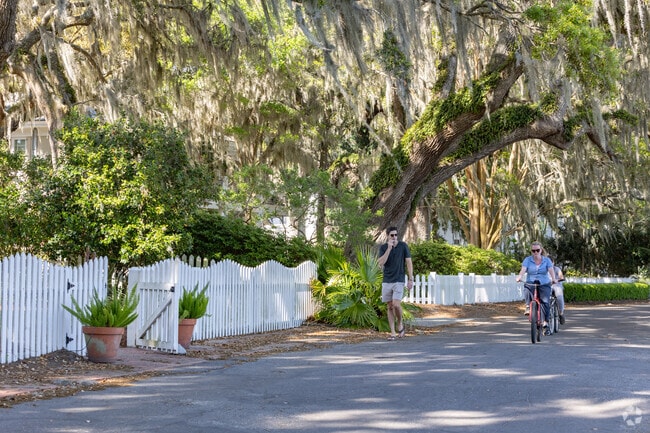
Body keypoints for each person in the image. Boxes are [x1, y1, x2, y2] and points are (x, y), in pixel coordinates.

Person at [378, 226, 414, 341]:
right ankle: (393, 332)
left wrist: (410, 278)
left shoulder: (403, 246)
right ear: (387, 236)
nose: (394, 237)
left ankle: (400, 324)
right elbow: (380, 263)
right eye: (392, 235)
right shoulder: (383, 248)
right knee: (389, 306)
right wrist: (388, 249)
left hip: (399, 279)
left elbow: (408, 262)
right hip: (387, 280)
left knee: (396, 305)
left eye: (396, 235)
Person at [516, 241, 557, 335]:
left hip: (544, 283)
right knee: (526, 287)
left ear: (541, 250)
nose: (535, 252)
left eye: (537, 250)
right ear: (531, 251)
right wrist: (519, 277)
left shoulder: (547, 260)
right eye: (533, 251)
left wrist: (554, 279)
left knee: (545, 302)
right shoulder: (527, 260)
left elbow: (551, 270)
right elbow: (523, 269)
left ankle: (545, 324)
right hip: (531, 282)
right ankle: (527, 306)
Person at [551, 260, 566, 324]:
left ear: (553, 262)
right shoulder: (544, 269)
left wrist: (557, 280)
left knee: (559, 296)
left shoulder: (557, 269)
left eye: (550, 262)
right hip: (547, 286)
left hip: (557, 285)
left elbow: (561, 277)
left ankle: (561, 313)